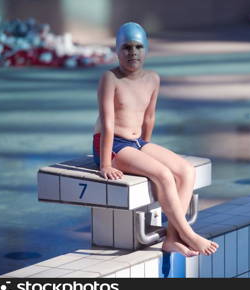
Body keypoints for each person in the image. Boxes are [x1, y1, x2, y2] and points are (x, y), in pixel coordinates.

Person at [92, 22, 218, 257]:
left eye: (138, 47)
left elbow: (149, 118)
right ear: (117, 51)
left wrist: (144, 150)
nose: (132, 53)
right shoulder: (110, 79)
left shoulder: (153, 79)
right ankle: (188, 234)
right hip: (112, 145)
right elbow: (108, 123)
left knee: (186, 170)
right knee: (162, 175)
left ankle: (171, 239)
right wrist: (105, 164)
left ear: (146, 50)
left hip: (137, 142)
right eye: (126, 47)